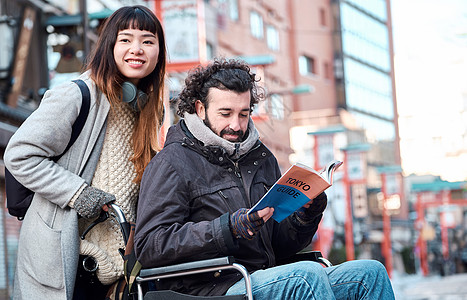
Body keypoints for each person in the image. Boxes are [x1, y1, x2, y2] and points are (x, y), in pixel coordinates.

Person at [134, 58, 396, 299]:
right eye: (225, 114)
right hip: (209, 286)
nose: (236, 125)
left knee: (369, 273)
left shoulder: (261, 158)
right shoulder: (172, 162)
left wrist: (305, 215)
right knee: (305, 276)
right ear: (200, 109)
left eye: (244, 114)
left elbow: (280, 246)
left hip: (262, 276)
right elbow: (150, 245)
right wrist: (228, 228)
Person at [4, 5, 166, 300]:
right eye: (126, 39)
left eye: (148, 41)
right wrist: (80, 194)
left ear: (159, 52)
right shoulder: (77, 95)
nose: (137, 49)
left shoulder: (149, 111)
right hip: (70, 262)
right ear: (109, 46)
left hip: (121, 273)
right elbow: (19, 154)